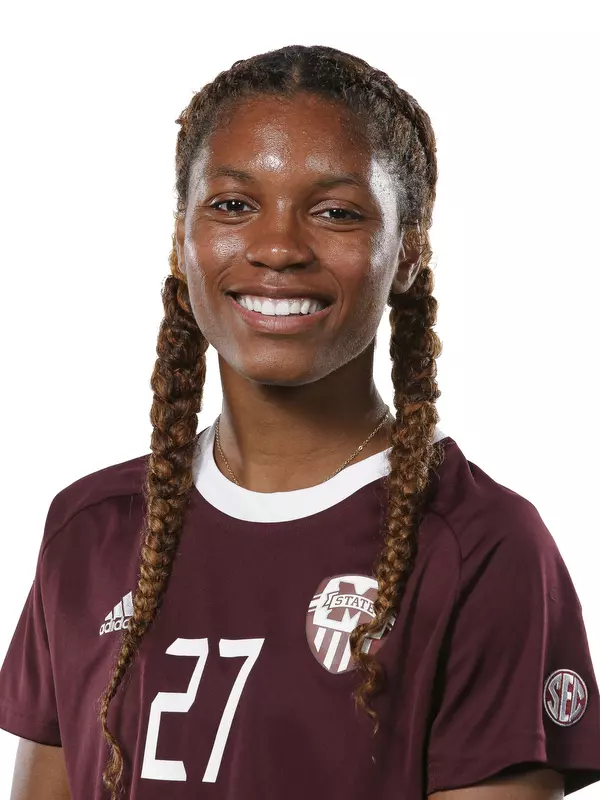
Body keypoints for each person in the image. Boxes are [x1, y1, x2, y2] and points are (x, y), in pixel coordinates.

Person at [0, 44, 599, 800]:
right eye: (233, 204)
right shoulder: (88, 528)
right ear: (181, 241)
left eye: (336, 212)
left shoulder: (481, 547)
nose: (278, 247)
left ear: (408, 252)